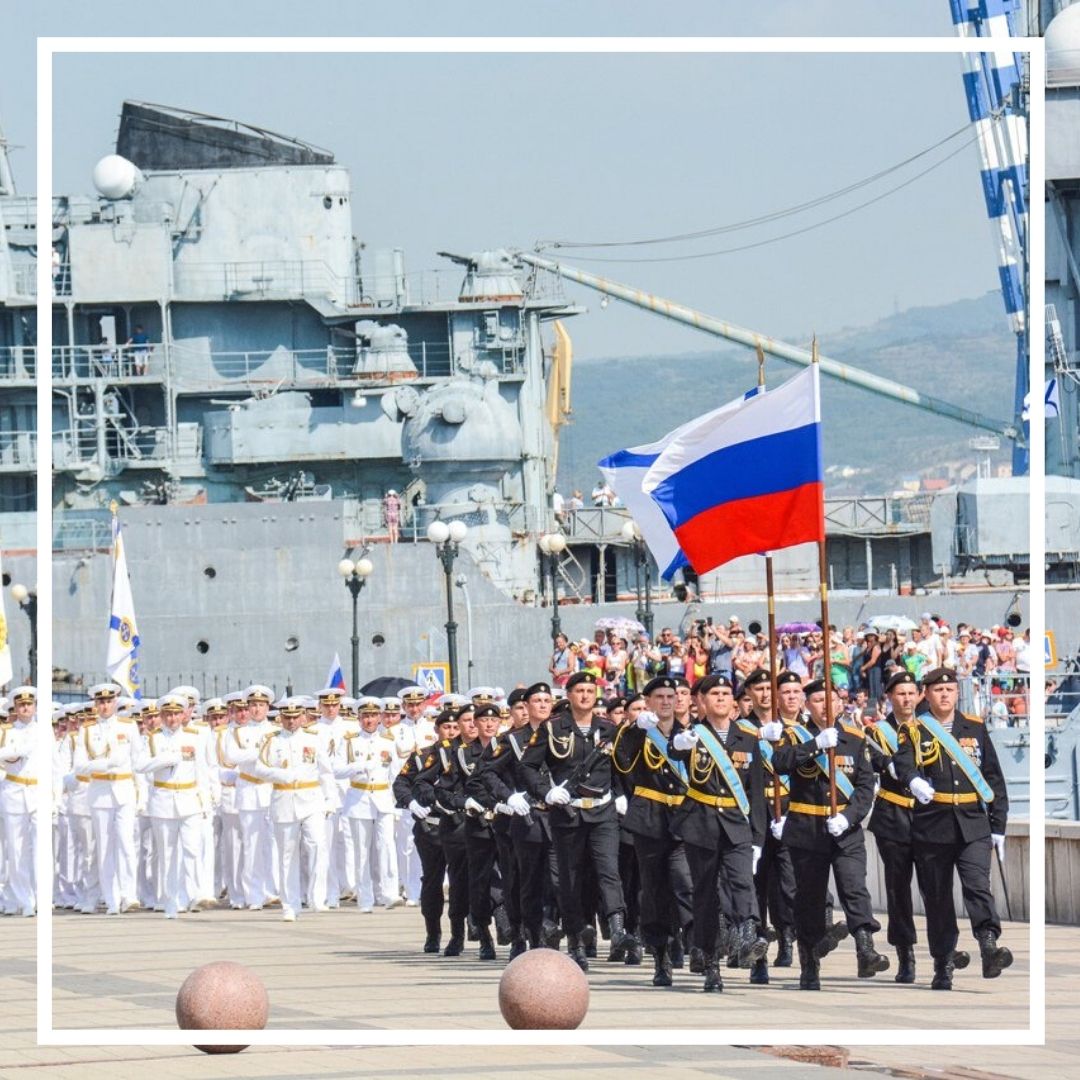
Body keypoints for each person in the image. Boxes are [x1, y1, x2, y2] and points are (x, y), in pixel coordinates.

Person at [893, 667, 1012, 990]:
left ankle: (989, 945)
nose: (944, 695)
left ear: (956, 693)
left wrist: (997, 826)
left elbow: (993, 777)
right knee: (938, 897)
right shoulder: (915, 730)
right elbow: (903, 763)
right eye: (937, 690)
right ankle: (943, 962)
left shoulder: (974, 726)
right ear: (926, 694)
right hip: (934, 825)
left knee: (977, 886)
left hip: (973, 823)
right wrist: (913, 779)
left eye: (949, 690)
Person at [768, 680, 887, 990]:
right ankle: (809, 960)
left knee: (854, 887)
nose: (825, 706)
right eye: (819, 700)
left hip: (844, 832)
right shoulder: (792, 737)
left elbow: (863, 788)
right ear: (808, 705)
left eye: (831, 700)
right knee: (809, 899)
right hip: (807, 830)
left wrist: (848, 817)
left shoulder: (853, 740)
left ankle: (865, 948)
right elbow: (779, 763)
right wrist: (815, 745)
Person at [520, 670, 633, 972]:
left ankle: (618, 928)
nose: (585, 696)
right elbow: (528, 767)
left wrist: (621, 795)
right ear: (568, 695)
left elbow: (624, 766)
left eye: (590, 690)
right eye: (579, 690)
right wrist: (547, 791)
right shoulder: (553, 727)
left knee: (608, 870)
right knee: (570, 878)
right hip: (567, 812)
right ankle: (575, 941)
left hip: (602, 811)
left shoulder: (609, 728)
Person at [668, 674, 766, 992]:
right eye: (715, 694)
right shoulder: (693, 735)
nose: (721, 698)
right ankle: (710, 961)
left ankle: (749, 935)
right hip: (702, 823)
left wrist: (758, 839)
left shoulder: (747, 739)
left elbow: (756, 793)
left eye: (726, 693)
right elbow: (677, 750)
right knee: (706, 893)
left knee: (742, 881)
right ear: (701, 701)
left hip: (737, 824)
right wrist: (679, 743)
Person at [611, 676, 694, 988]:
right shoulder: (639, 733)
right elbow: (621, 761)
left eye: (671, 696)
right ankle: (660, 955)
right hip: (649, 821)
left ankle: (694, 939)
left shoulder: (690, 733)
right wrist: (635, 729)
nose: (666, 702)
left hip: (684, 821)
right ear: (648, 701)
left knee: (685, 884)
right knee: (654, 891)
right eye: (659, 696)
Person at [253, 697, 336, 922]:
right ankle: (290, 904)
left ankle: (317, 897)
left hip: (312, 798)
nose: (291, 722)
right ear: (280, 718)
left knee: (318, 844)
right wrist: (280, 774)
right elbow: (259, 768)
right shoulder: (271, 740)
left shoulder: (314, 739)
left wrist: (331, 800)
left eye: (295, 717)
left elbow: (326, 771)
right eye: (287, 718)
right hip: (284, 799)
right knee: (287, 855)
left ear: (302, 717)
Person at [133, 693, 208, 918]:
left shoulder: (194, 737)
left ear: (184, 714)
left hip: (189, 798)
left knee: (192, 849)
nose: (172, 718)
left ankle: (194, 894)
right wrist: (165, 759)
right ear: (162, 715)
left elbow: (202, 771)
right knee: (167, 854)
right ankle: (171, 901)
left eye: (176, 714)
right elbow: (139, 765)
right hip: (163, 800)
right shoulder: (153, 738)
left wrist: (204, 802)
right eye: (168, 714)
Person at [72, 683, 141, 915]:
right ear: (95, 704)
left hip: (123, 788)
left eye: (109, 701)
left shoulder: (129, 726)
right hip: (100, 791)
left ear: (115, 702)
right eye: (100, 702)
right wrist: (105, 764)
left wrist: (140, 792)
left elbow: (138, 762)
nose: (105, 706)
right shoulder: (87, 730)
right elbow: (79, 766)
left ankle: (128, 895)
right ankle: (111, 899)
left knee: (126, 844)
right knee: (104, 847)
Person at [0, 687, 40, 916]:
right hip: (14, 791)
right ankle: (24, 899)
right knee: (16, 851)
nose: (25, 708)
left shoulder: (43, 732)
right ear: (15, 708)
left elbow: (53, 766)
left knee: (40, 850)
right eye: (21, 705)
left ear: (34, 706)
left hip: (38, 791)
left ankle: (40, 896)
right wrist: (13, 751)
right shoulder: (7, 731)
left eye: (29, 704)